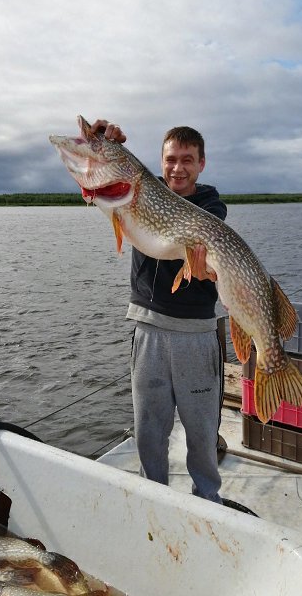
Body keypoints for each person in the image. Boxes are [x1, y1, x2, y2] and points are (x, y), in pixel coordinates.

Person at [90, 119, 227, 503]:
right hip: (147, 328)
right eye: (170, 160)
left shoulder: (211, 208)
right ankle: (153, 502)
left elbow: (210, 253)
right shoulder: (139, 193)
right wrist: (107, 146)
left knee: (202, 434)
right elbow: (103, 181)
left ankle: (208, 501)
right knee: (149, 432)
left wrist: (204, 267)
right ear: (161, 162)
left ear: (201, 164)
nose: (177, 168)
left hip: (196, 335)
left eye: (187, 160)